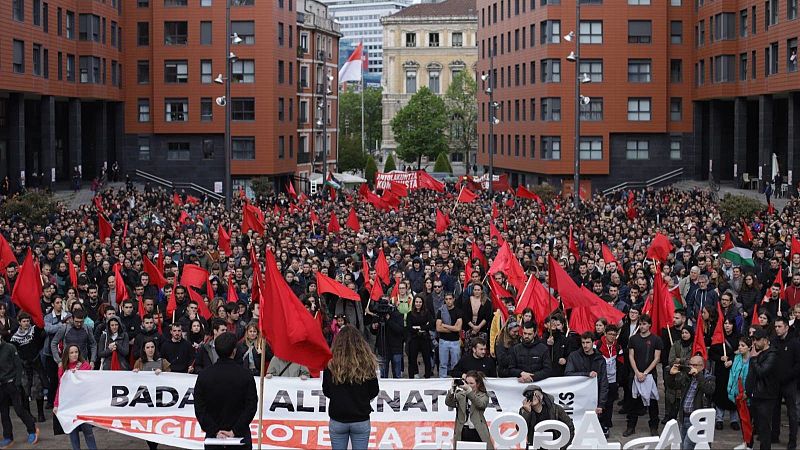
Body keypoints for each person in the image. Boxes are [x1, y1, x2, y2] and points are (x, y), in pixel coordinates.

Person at [194, 332, 258, 450]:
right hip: (237, 437)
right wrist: (234, 431)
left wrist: (215, 431)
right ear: (234, 351)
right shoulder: (246, 375)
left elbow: (199, 408)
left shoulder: (204, 375)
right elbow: (251, 406)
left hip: (217, 438)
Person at [323, 326, 379, 450]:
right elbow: (374, 390)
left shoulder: (331, 364)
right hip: (360, 418)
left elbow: (326, 391)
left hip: (338, 418)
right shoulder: (367, 363)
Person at [623, 314, 662, 437]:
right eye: (640, 324)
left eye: (644, 324)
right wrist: (637, 372)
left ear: (649, 325)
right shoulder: (633, 339)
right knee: (633, 401)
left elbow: (657, 358)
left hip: (650, 376)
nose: (642, 326)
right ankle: (631, 426)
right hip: (635, 375)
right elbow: (631, 356)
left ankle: (654, 427)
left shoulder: (656, 340)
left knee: (652, 403)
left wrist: (645, 373)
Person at [665, 355, 715, 449]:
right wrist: (671, 375)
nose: (691, 367)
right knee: (682, 445)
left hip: (697, 421)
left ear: (702, 366)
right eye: (690, 365)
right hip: (684, 418)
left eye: (695, 365)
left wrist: (698, 375)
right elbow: (673, 386)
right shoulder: (687, 377)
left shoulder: (709, 378)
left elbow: (709, 390)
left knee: (688, 446)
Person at [53, 344, 94, 450]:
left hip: (83, 404)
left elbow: (90, 384)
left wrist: (79, 373)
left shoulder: (85, 366)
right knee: (72, 432)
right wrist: (56, 404)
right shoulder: (62, 368)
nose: (74, 354)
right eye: (71, 352)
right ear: (67, 354)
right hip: (70, 404)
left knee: (88, 431)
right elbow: (60, 387)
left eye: (76, 352)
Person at [747, 327, 779, 450]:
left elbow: (761, 372)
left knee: (764, 429)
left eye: (757, 340)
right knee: (750, 426)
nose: (754, 343)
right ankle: (748, 446)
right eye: (753, 340)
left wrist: (754, 358)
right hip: (755, 395)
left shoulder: (772, 354)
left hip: (766, 397)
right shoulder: (758, 353)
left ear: (765, 340)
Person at [770, 316, 799, 447]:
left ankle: (792, 440)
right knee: (774, 411)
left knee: (792, 413)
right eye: (775, 326)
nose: (777, 329)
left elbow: (798, 364)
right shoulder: (774, 341)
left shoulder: (794, 343)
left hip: (790, 383)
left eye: (779, 326)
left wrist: (788, 376)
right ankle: (774, 436)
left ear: (787, 327)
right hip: (776, 383)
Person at [565, 332, 608, 419]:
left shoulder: (600, 359)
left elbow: (603, 382)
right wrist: (587, 374)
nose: (585, 345)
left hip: (594, 396)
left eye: (588, 342)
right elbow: (568, 374)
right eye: (583, 342)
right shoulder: (574, 356)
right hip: (577, 396)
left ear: (593, 343)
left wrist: (601, 404)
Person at [445, 370, 493, 449]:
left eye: (471, 383)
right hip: (463, 431)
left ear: (478, 384)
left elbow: (480, 404)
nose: (468, 385)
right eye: (467, 383)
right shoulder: (460, 394)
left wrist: (469, 391)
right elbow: (449, 403)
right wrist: (452, 390)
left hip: (477, 431)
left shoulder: (483, 396)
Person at [596, 324, 623, 436]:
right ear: (605, 334)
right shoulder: (597, 344)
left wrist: (619, 380)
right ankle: (598, 421)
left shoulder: (618, 347)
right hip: (600, 379)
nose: (612, 336)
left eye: (614, 335)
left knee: (610, 401)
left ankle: (607, 421)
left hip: (612, 379)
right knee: (599, 400)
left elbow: (621, 363)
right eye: (610, 334)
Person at [728, 336, 753, 449]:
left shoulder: (753, 360)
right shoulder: (737, 358)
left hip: (748, 395)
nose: (740, 348)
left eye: (743, 346)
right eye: (739, 345)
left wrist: (748, 392)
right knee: (742, 420)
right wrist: (730, 389)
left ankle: (750, 444)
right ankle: (745, 442)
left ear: (750, 347)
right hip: (737, 393)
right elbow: (732, 374)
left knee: (749, 420)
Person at [405, 296, 434, 379]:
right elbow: (409, 327)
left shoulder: (427, 313)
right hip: (414, 338)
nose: (418, 304)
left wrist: (419, 327)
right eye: (416, 302)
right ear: (414, 303)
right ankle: (412, 377)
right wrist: (422, 327)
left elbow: (431, 324)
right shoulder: (410, 314)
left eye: (420, 302)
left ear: (423, 303)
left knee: (427, 359)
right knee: (412, 359)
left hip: (424, 338)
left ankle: (427, 377)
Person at [436, 293, 463, 378]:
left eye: (450, 299)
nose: (448, 301)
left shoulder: (458, 311)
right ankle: (442, 382)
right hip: (443, 341)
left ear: (454, 299)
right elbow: (438, 328)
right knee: (443, 364)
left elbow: (458, 328)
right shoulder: (441, 311)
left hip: (455, 342)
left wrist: (445, 325)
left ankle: (455, 381)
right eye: (446, 299)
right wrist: (452, 328)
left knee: (455, 364)